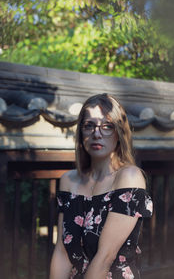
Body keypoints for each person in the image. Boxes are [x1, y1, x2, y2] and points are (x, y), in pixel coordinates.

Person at [50, 93, 153, 279]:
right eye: (89, 125)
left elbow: (105, 257)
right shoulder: (68, 180)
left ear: (119, 132)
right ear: (81, 132)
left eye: (107, 126)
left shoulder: (129, 177)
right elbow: (62, 252)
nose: (96, 133)